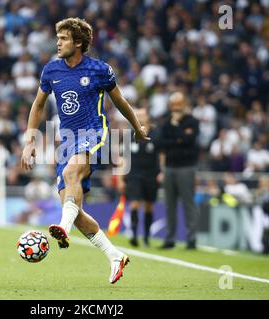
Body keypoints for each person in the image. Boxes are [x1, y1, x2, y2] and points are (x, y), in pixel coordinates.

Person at [21, 18, 149, 284]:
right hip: (66, 141)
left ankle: (62, 229)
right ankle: (115, 256)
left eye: (64, 38)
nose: (58, 42)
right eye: (57, 37)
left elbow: (121, 101)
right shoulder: (51, 71)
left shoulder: (100, 70)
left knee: (71, 174)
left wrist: (137, 128)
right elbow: (37, 105)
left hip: (93, 133)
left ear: (78, 43)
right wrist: (29, 141)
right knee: (75, 210)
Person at [159, 92, 200, 250]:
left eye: (178, 104)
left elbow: (190, 140)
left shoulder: (192, 121)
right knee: (170, 204)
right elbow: (162, 143)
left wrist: (176, 130)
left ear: (184, 105)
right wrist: (179, 138)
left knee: (188, 203)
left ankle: (191, 239)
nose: (175, 108)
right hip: (169, 167)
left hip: (186, 167)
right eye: (173, 105)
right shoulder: (166, 122)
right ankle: (170, 238)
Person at [117, 108, 160, 247]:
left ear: (148, 117)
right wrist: (120, 178)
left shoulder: (156, 134)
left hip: (151, 175)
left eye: (142, 115)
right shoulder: (129, 135)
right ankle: (134, 235)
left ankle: (146, 237)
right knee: (134, 203)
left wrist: (162, 172)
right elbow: (123, 158)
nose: (140, 117)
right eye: (138, 115)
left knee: (148, 206)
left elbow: (161, 155)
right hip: (134, 174)